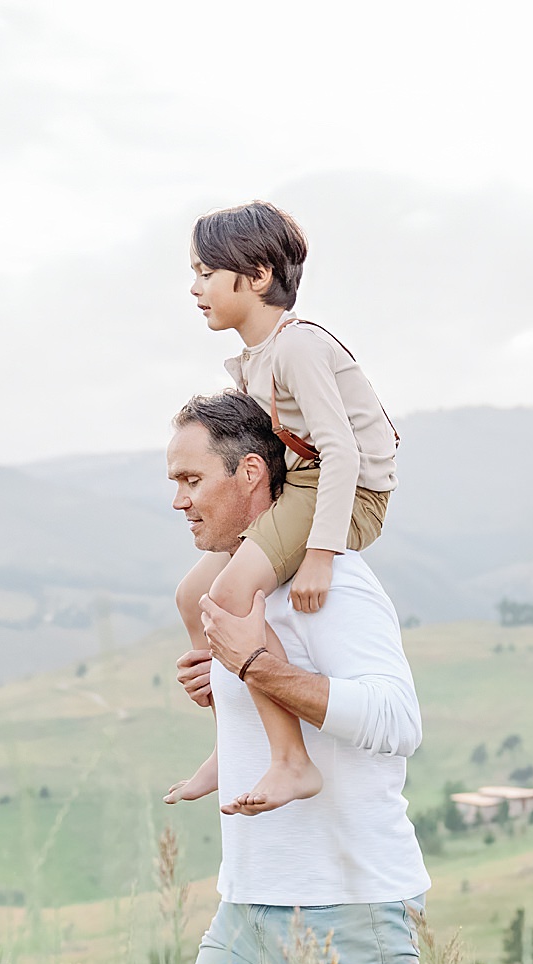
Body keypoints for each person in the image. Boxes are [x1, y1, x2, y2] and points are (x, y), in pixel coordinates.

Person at [162, 390, 529, 964]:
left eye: (189, 478)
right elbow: (261, 692)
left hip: (349, 907)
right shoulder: (227, 590)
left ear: (253, 475)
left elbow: (398, 720)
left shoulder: (335, 585)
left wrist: (265, 668)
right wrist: (230, 715)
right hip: (249, 904)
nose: (177, 499)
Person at [165, 200, 400, 817]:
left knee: (234, 591)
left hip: (342, 492)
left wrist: (320, 556)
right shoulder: (256, 358)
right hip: (306, 485)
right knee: (195, 594)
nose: (196, 288)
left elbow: (341, 453)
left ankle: (292, 760)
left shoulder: (296, 349)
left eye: (206, 273)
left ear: (258, 275)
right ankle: (232, 739)